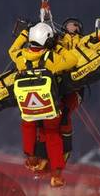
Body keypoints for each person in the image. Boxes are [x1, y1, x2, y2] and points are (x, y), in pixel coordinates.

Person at [9, 22, 78, 187]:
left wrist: (25, 33)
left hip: (29, 107)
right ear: (48, 41)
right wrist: (59, 47)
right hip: (50, 107)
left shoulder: (21, 58)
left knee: (27, 125)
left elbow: (11, 50)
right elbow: (72, 60)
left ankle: (31, 157)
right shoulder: (50, 58)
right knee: (53, 134)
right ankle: (57, 173)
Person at [30, 18, 85, 173]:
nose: (70, 28)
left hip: (74, 88)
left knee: (65, 114)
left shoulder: (80, 41)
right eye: (68, 25)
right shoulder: (59, 39)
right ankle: (42, 155)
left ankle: (63, 151)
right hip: (57, 85)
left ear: (79, 29)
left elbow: (77, 56)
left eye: (74, 25)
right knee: (43, 119)